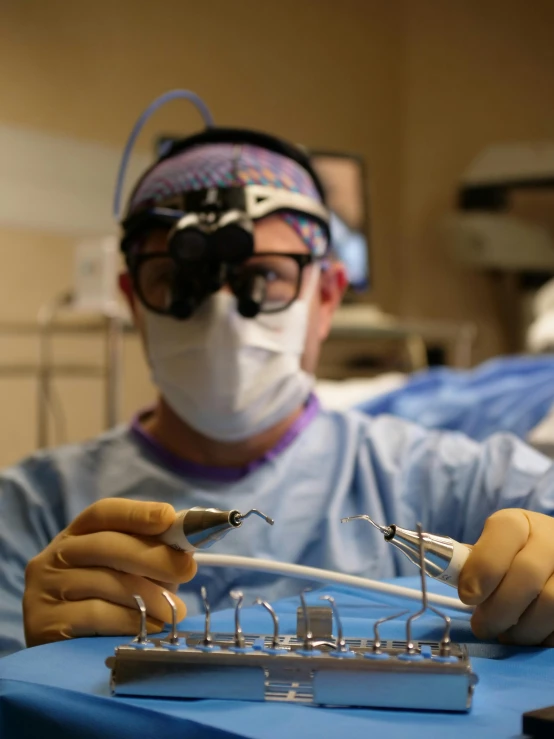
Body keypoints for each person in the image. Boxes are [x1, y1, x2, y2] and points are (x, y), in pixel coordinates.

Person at [2, 111, 554, 659]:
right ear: (131, 299)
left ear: (328, 297)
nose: (221, 315)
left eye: (263, 277)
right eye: (178, 279)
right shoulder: (32, 512)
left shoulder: (438, 478)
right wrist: (31, 668)